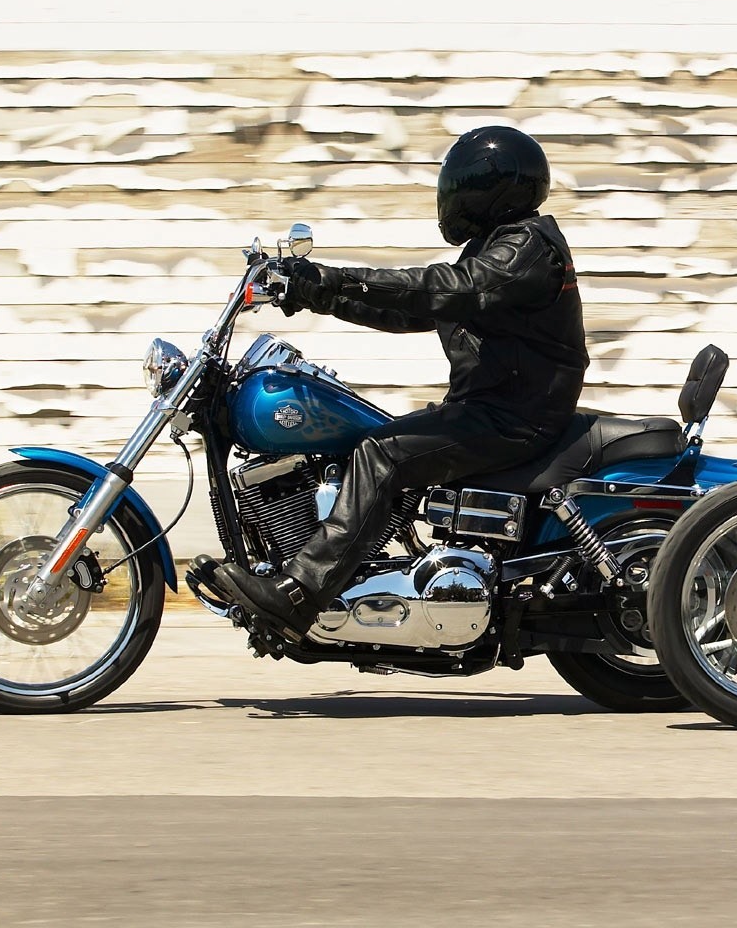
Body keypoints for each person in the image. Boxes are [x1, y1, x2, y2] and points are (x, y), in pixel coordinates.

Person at [210, 124, 589, 637]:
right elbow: (411, 311)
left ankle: (298, 595)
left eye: (461, 186)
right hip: (496, 407)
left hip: (513, 416)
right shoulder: (497, 249)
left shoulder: (526, 248)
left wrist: (335, 277)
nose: (451, 197)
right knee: (369, 440)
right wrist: (318, 293)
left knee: (381, 454)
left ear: (493, 189)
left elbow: (446, 288)